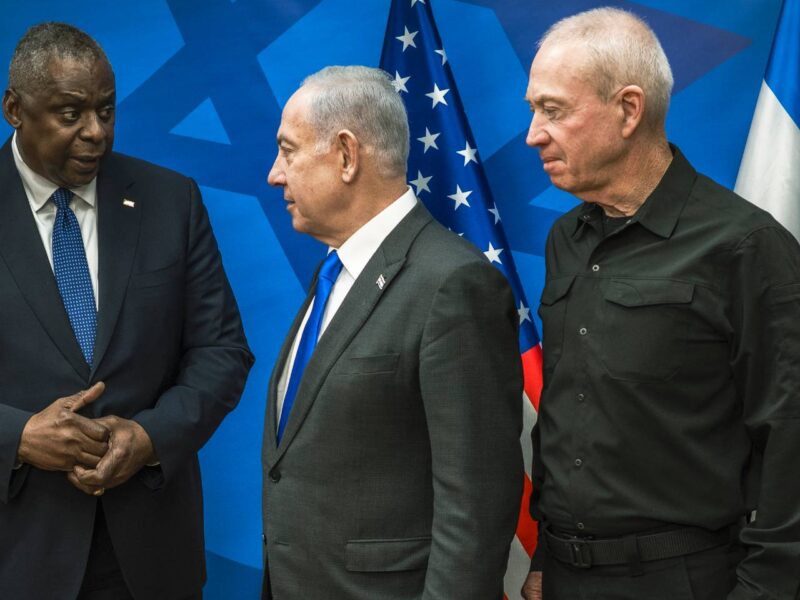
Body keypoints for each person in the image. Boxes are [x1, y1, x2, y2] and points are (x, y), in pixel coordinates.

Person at [520, 7, 800, 600]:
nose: (533, 134)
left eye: (553, 110)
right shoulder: (564, 240)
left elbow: (790, 439)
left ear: (628, 109)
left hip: (685, 579)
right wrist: (545, 554)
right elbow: (568, 413)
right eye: (532, 111)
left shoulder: (744, 246)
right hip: (566, 575)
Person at [0, 23, 253, 600]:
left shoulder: (171, 200)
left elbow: (222, 351)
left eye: (107, 112)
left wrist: (147, 436)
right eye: (70, 114)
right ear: (14, 108)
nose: (96, 133)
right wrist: (17, 435)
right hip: (15, 551)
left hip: (149, 556)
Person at [262, 65, 523, 599]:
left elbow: (476, 501)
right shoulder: (334, 270)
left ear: (345, 155)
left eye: (288, 151)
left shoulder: (453, 283)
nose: (274, 173)